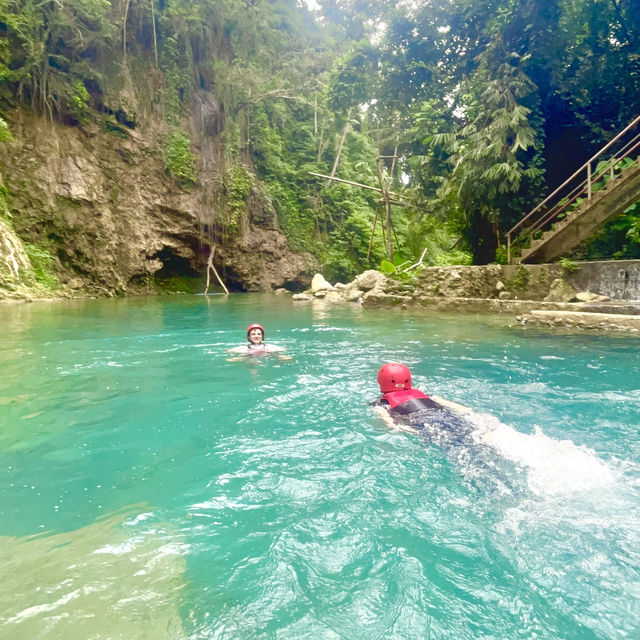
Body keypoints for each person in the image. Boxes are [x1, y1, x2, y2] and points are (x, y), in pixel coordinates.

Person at [373, 362, 471, 435]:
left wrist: (412, 431)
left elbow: (390, 423)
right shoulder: (425, 395)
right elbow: (454, 406)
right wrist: (469, 412)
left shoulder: (382, 403)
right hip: (446, 416)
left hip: (422, 422)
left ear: (382, 381)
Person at [226, 323, 291, 361]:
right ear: (249, 337)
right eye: (253, 334)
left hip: (267, 356)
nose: (256, 336)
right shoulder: (244, 348)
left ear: (262, 336)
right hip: (250, 357)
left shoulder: (269, 347)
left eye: (259, 334)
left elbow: (283, 349)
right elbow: (229, 351)